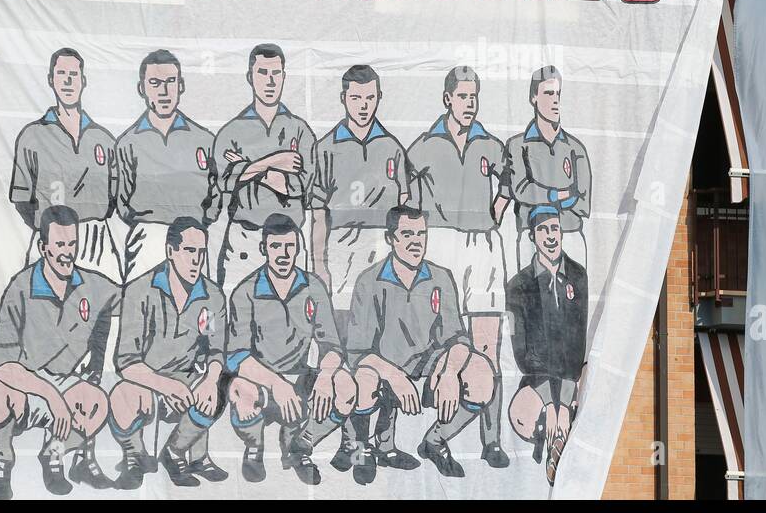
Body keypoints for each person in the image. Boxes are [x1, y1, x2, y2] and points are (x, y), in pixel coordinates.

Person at [407, 66, 514, 469]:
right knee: (445, 343)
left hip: (482, 245)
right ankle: (436, 431)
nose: (469, 104)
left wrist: (492, 215)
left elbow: (507, 186)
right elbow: (410, 199)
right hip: (440, 244)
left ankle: (490, 441)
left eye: (475, 97)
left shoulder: (491, 143)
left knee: (488, 346)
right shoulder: (422, 145)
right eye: (463, 97)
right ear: (447, 98)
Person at [345, 206, 496, 482]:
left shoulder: (441, 276)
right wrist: (394, 375)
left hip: (429, 370)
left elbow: (458, 338)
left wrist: (449, 372)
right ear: (390, 238)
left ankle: (434, 442)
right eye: (406, 234)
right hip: (386, 372)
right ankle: (366, 450)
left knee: (481, 373)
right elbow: (357, 353)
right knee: (362, 381)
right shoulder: (369, 280)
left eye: (421, 234)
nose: (416, 241)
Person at [0, 204, 120, 499]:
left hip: (66, 385)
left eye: (72, 244)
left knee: (98, 403)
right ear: (43, 247)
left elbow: (130, 299)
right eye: (59, 245)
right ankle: (3, 463)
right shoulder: (21, 287)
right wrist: (49, 395)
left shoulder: (91, 284)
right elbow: (0, 364)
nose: (68, 252)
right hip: (27, 385)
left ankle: (53, 454)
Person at [225, 214, 356, 485]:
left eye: (289, 247)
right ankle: (254, 445)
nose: (283, 254)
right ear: (264, 249)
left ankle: (300, 444)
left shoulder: (313, 287)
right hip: (260, 381)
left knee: (345, 385)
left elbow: (331, 345)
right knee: (239, 390)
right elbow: (237, 355)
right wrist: (276, 385)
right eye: (275, 247)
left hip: (300, 377)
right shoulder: (245, 291)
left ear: (298, 248)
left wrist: (325, 374)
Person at [108, 216, 230, 489]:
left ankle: (175, 453)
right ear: (171, 251)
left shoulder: (212, 295)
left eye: (201, 253)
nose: (196, 260)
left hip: (187, 380)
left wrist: (209, 380)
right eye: (189, 251)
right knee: (120, 394)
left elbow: (215, 349)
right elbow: (126, 362)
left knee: (221, 380)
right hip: (148, 380)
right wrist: (164, 385)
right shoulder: (140, 290)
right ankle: (134, 456)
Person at [10, 48, 121, 280]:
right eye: (61, 73)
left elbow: (115, 196)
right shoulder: (32, 136)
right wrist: (50, 230)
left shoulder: (104, 139)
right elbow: (21, 198)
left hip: (95, 240)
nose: (68, 80)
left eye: (74, 74)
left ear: (84, 80)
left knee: (102, 308)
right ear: (51, 80)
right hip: (52, 238)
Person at [213, 44, 317, 290]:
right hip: (245, 239)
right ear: (250, 77)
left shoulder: (300, 130)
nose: (270, 81)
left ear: (284, 77)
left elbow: (301, 185)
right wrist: (275, 161)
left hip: (288, 240)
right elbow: (225, 181)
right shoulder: (232, 131)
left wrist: (247, 168)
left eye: (276, 73)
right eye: (262, 73)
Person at [310, 65, 411, 312]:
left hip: (383, 246)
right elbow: (317, 214)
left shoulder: (392, 147)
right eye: (356, 98)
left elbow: (405, 204)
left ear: (379, 97)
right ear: (343, 98)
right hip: (341, 246)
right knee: (344, 320)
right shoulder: (326, 148)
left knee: (385, 317)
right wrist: (320, 267)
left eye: (370, 98)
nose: (363, 106)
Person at [115, 50, 221, 282]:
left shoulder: (204, 140)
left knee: (196, 309)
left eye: (170, 82)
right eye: (155, 83)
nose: (163, 91)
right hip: (147, 240)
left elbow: (216, 194)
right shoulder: (128, 143)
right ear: (141, 88)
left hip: (193, 238)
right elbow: (122, 203)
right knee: (142, 309)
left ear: (181, 86)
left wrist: (198, 224)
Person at [506, 206, 588, 486]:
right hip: (536, 379)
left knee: (572, 414)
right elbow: (522, 353)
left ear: (561, 232)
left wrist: (563, 401)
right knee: (524, 416)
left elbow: (578, 342)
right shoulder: (518, 285)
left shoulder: (578, 276)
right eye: (543, 230)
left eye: (554, 228)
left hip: (569, 377)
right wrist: (548, 404)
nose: (550, 236)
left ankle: (559, 454)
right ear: (533, 236)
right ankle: (552, 444)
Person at [503, 66, 592, 272]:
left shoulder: (575, 147)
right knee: (528, 300)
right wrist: (559, 194)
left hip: (570, 233)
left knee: (574, 299)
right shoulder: (517, 145)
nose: (555, 100)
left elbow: (582, 201)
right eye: (548, 93)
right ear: (534, 97)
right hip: (530, 235)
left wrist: (541, 196)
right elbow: (521, 190)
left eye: (558, 94)